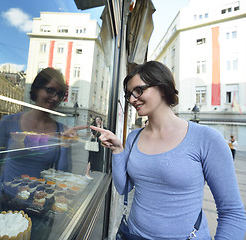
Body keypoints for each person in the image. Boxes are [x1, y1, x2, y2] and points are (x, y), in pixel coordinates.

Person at [90, 61, 246, 239]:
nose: (132, 99)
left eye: (138, 90)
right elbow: (124, 188)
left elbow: (232, 213)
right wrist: (118, 150)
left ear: (162, 87)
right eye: (129, 95)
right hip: (133, 234)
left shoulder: (207, 138)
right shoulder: (133, 138)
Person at [0, 67, 74, 212]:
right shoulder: (9, 122)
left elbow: (62, 176)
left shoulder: (61, 130)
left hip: (41, 207)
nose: (55, 98)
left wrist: (66, 146)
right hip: (6, 203)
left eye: (60, 94)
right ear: (36, 89)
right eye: (50, 90)